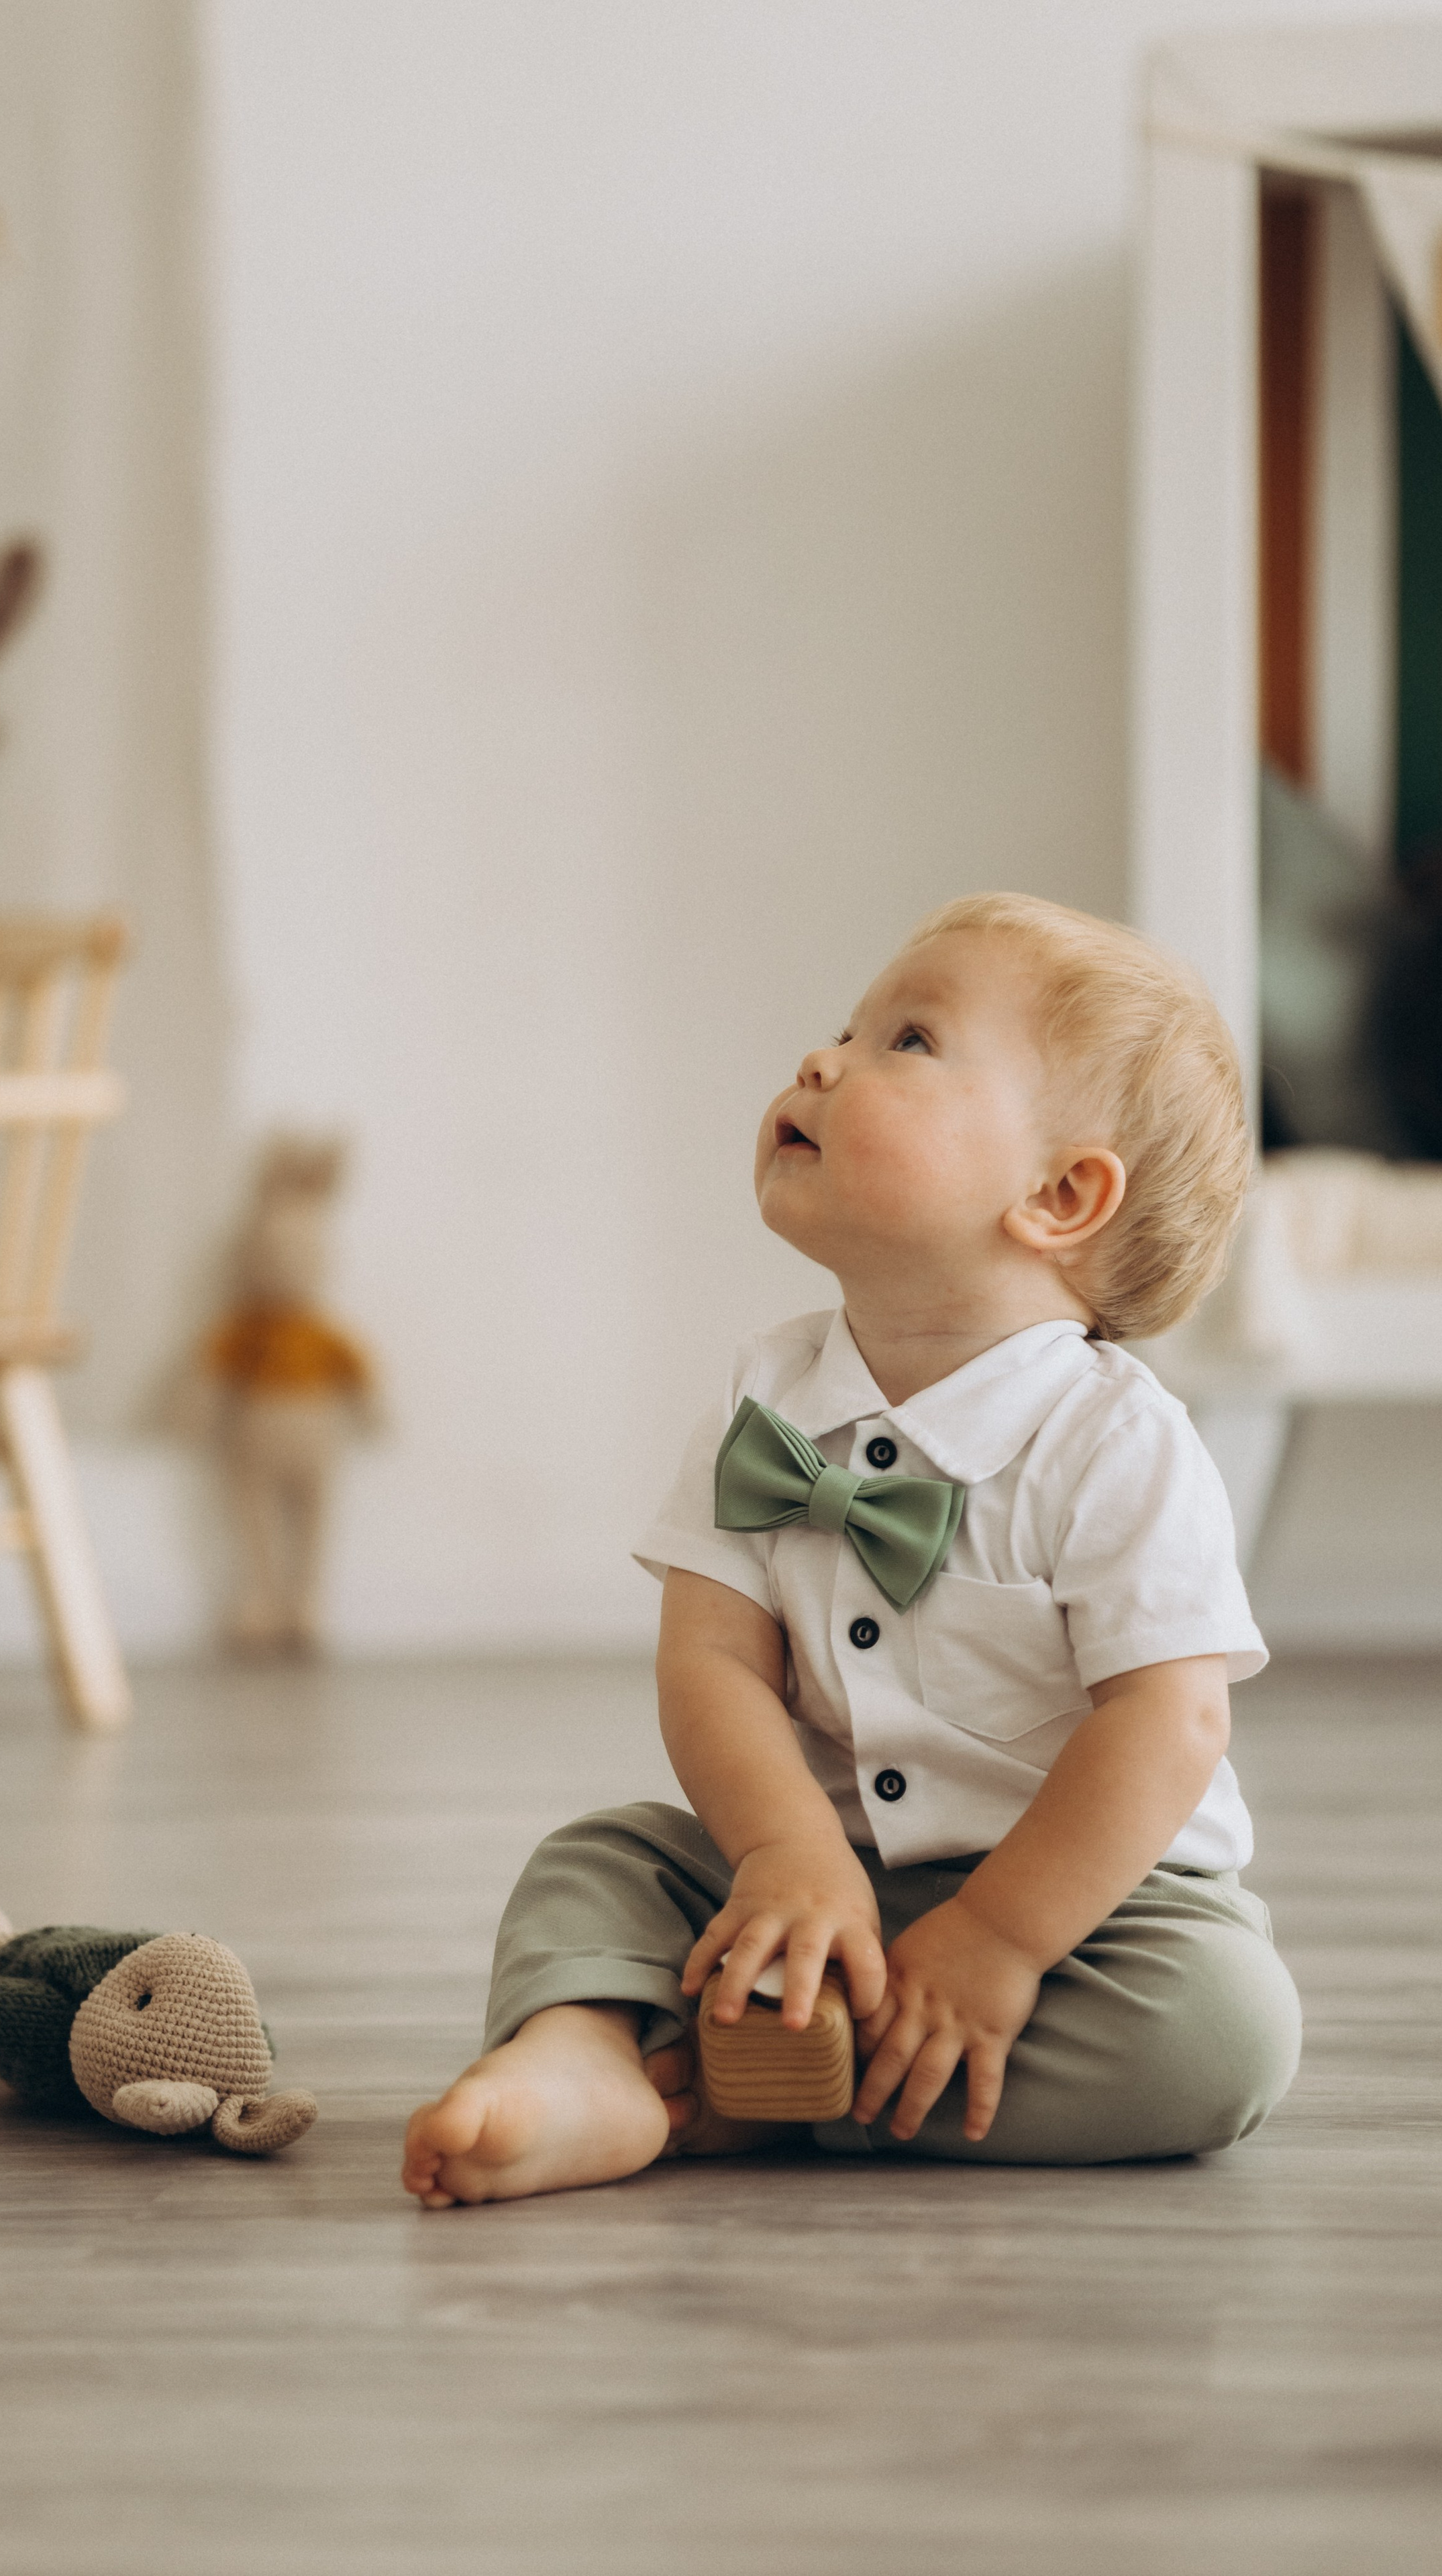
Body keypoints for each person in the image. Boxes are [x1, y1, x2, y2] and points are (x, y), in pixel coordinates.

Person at [402, 894, 1302, 2208]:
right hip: (818, 1884)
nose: (821, 1060)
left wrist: (996, 1939)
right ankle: (585, 2055)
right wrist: (783, 1853)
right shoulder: (765, 1398)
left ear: (1058, 1194)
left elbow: (1167, 1727)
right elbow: (710, 1659)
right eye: (841, 1029)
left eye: (909, 1041)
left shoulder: (1116, 1443)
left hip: (1078, 1909)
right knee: (604, 1863)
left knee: (1220, 2031)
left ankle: (743, 2091)